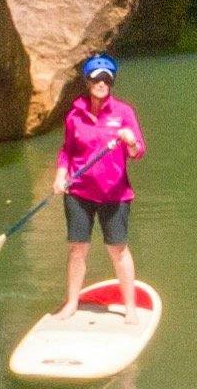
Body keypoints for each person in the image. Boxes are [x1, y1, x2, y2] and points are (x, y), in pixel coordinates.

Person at [53, 53, 145, 311]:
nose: (102, 83)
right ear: (88, 82)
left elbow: (138, 152)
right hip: (79, 192)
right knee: (77, 250)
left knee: (118, 250)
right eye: (96, 78)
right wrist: (61, 175)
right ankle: (71, 303)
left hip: (114, 195)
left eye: (107, 79)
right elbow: (67, 151)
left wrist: (130, 141)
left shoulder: (124, 112)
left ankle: (130, 308)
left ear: (111, 82)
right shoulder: (74, 116)